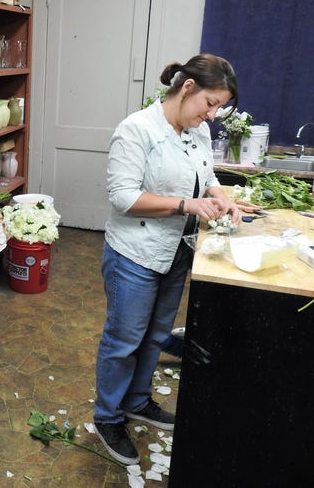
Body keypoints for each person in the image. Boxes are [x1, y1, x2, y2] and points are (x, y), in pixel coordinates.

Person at [93, 54, 243, 465]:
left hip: (177, 250)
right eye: (210, 103)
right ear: (188, 88)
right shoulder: (136, 130)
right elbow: (123, 198)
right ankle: (107, 416)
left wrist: (221, 198)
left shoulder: (197, 132)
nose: (212, 115)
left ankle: (138, 401)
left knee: (157, 334)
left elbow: (207, 174)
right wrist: (187, 205)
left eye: (219, 108)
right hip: (134, 255)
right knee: (124, 341)